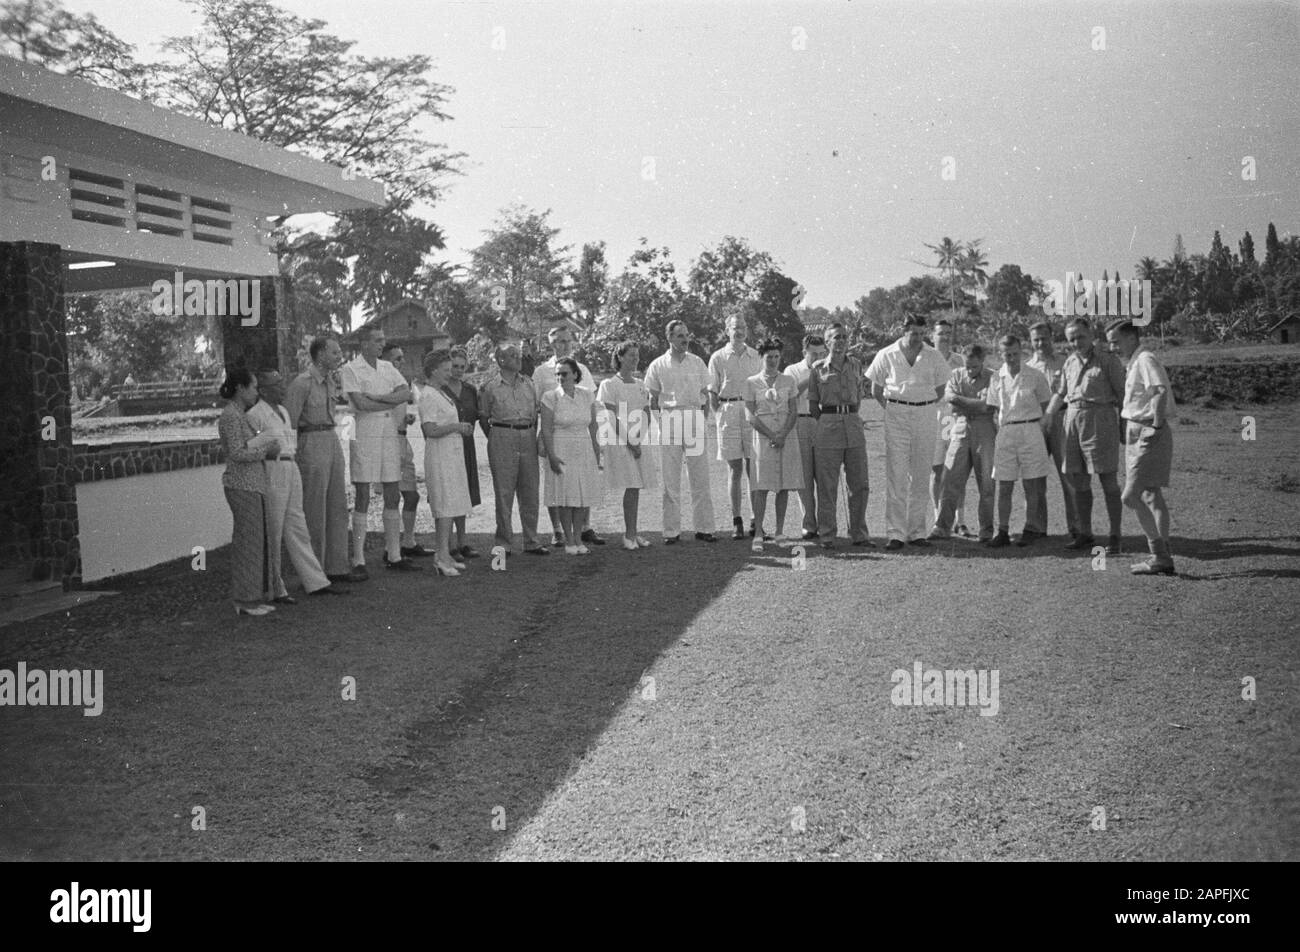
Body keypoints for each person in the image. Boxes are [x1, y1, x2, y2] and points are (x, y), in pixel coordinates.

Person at [246, 370, 344, 601]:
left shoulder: (282, 412)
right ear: (264, 389)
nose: (283, 388)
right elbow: (250, 446)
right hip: (274, 468)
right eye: (277, 385)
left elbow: (290, 441)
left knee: (297, 524)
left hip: (291, 466)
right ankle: (274, 587)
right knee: (275, 527)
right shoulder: (254, 415)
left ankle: (315, 581)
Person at [867, 315, 951, 549]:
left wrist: (923, 403)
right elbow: (875, 388)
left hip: (925, 413)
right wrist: (894, 409)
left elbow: (942, 386)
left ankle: (917, 532)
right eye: (913, 333)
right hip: (897, 413)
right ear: (902, 331)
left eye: (921, 333)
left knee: (922, 473)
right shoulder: (886, 353)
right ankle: (895, 533)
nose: (917, 338)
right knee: (897, 473)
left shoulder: (933, 355)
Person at [283, 337, 363, 584]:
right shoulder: (302, 384)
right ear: (319, 355)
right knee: (314, 508)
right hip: (311, 442)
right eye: (334, 351)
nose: (339, 355)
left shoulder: (330, 381)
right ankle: (314, 574)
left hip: (330, 438)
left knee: (337, 505)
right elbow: (290, 423)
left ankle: (336, 567)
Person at [1043, 318, 1127, 554]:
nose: (1076, 342)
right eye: (1071, 339)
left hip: (1100, 421)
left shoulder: (1108, 360)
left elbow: (1122, 396)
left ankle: (1115, 535)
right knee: (1078, 481)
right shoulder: (1069, 362)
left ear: (1091, 335)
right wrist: (1047, 417)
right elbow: (1060, 394)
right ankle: (1085, 532)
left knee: (1107, 481)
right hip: (1072, 421)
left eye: (1080, 336)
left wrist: (1124, 426)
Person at [342, 326, 419, 574]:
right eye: (376, 340)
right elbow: (359, 404)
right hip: (364, 432)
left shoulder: (388, 367)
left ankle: (394, 554)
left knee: (392, 492)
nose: (380, 344)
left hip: (389, 433)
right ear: (363, 343)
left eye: (383, 340)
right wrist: (388, 398)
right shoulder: (350, 369)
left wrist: (377, 397)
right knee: (363, 494)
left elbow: (406, 394)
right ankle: (358, 559)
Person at [1106, 319, 1176, 575]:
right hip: (1137, 427)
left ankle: (1159, 555)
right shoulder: (1135, 361)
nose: (1112, 347)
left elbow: (1158, 391)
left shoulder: (1145, 359)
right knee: (1150, 494)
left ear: (1131, 338)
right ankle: (1163, 552)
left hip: (1148, 429)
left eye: (1116, 341)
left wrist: (1155, 427)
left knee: (1129, 496)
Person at [644, 320, 717, 543]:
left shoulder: (697, 362)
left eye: (686, 335)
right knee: (670, 479)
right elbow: (652, 398)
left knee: (700, 477)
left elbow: (705, 393)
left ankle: (704, 528)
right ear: (669, 338)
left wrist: (700, 419)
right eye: (679, 336)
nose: (685, 339)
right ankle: (671, 531)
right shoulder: (657, 365)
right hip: (670, 418)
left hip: (694, 417)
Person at [533, 324, 603, 547]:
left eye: (568, 340)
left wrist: (596, 444)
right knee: (557, 483)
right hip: (554, 433)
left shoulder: (581, 368)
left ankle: (584, 527)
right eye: (560, 341)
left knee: (582, 480)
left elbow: (590, 403)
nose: (565, 345)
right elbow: (536, 404)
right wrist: (542, 440)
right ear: (552, 344)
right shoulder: (542, 371)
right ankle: (557, 530)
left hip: (579, 433)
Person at [218, 368, 277, 616]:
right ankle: (245, 599)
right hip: (242, 484)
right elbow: (237, 452)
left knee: (255, 541)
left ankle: (253, 595)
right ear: (240, 388)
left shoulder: (240, 415)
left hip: (252, 484)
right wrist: (265, 451)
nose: (256, 391)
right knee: (247, 543)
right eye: (252, 387)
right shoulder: (231, 415)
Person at [984, 336, 1053, 547]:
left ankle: (1031, 528)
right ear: (1000, 354)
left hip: (1031, 429)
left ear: (1021, 351)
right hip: (1006, 431)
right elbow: (993, 409)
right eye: (1007, 354)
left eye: (1015, 353)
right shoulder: (996, 377)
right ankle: (1002, 531)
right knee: (1004, 484)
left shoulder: (1035, 375)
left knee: (1032, 483)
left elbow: (1046, 405)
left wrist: (1040, 431)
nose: (1012, 358)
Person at [807, 323, 872, 548]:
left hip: (853, 426)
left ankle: (859, 534)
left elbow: (860, 397)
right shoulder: (817, 368)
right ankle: (827, 535)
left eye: (844, 336)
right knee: (827, 485)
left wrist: (849, 415)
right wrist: (828, 420)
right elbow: (813, 404)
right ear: (827, 342)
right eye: (836, 337)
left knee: (860, 483)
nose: (841, 341)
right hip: (828, 427)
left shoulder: (855, 364)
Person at [928, 344, 996, 542]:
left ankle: (986, 530)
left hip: (985, 431)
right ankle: (942, 527)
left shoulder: (993, 377)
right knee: (950, 478)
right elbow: (949, 399)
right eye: (967, 366)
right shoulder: (955, 374)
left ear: (982, 362)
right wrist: (970, 403)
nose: (970, 370)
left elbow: (987, 406)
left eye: (974, 367)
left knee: (986, 483)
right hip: (959, 428)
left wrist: (961, 401)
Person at [708, 311, 764, 540]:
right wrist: (721, 413)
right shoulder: (718, 357)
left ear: (746, 330)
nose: (738, 331)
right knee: (734, 469)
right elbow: (712, 392)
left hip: (751, 411)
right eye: (734, 327)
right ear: (727, 330)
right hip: (728, 411)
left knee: (754, 469)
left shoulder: (755, 356)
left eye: (742, 327)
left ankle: (755, 521)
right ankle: (736, 521)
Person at [419, 350, 474, 576]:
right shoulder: (428, 395)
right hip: (440, 456)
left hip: (451, 455)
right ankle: (440, 557)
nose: (449, 373)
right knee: (443, 505)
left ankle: (445, 554)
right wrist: (457, 427)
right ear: (434, 371)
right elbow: (429, 429)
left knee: (450, 504)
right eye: (445, 369)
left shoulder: (441, 393)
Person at [597, 341, 657, 550]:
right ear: (620, 357)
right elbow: (611, 417)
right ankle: (629, 535)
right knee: (631, 486)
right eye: (631, 355)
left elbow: (646, 413)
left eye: (637, 356)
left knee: (636, 487)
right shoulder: (609, 385)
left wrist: (639, 438)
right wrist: (630, 442)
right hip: (621, 442)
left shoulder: (641, 384)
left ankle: (633, 532)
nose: (635, 359)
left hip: (639, 441)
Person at [745, 338, 803, 551]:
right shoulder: (751, 382)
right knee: (761, 486)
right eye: (769, 357)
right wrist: (771, 435)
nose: (773, 361)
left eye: (777, 356)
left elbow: (794, 411)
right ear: (761, 358)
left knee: (783, 485)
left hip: (786, 437)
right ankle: (759, 532)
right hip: (763, 438)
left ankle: (779, 531)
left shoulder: (789, 381)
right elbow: (750, 415)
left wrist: (782, 434)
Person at [1026, 321, 1079, 542]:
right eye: (1036, 339)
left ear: (1052, 337)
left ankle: (1077, 527)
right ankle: (1037, 527)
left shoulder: (1066, 362)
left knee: (1070, 475)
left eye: (1044, 338)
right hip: (1036, 422)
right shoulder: (1028, 367)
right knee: (1035, 475)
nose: (1040, 343)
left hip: (1062, 420)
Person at [380, 342, 430, 559]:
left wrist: (405, 419)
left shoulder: (400, 383)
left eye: (402, 358)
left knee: (412, 496)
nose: (401, 362)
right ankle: (389, 549)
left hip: (403, 442)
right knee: (393, 497)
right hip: (388, 445)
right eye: (396, 359)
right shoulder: (381, 385)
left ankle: (408, 542)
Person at [783, 334, 827, 540]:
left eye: (821, 353)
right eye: (814, 354)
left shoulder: (829, 368)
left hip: (822, 422)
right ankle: (809, 524)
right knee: (805, 478)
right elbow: (790, 394)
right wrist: (812, 375)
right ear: (805, 353)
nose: (818, 357)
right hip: (800, 422)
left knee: (825, 476)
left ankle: (827, 523)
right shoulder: (792, 370)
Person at [442, 347, 482, 560]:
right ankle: (448, 545)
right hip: (447, 445)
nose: (457, 371)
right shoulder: (440, 389)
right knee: (449, 493)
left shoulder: (469, 390)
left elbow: (477, 416)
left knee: (464, 493)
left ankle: (462, 542)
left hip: (466, 446)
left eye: (461, 367)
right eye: (454, 366)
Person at [929, 320, 969, 534]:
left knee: (956, 470)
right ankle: (938, 519)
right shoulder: (925, 358)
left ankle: (959, 520)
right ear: (932, 336)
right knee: (936, 471)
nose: (944, 337)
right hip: (933, 418)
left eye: (947, 333)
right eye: (940, 333)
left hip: (954, 418)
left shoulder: (959, 360)